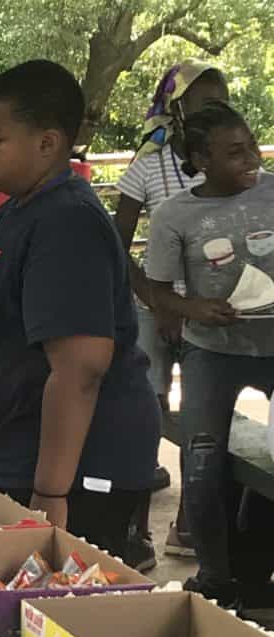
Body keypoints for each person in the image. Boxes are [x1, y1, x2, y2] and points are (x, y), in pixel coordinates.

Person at [0, 60, 160, 559]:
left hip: (77, 471)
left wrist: (50, 493)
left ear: (46, 142)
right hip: (12, 452)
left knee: (56, 624)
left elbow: (80, 369)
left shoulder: (68, 224)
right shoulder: (14, 211)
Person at [146, 101, 274, 607]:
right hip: (211, 351)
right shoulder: (175, 215)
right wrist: (194, 306)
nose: (251, 160)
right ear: (201, 159)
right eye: (235, 153)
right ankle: (215, 577)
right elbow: (157, 291)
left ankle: (255, 565)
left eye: (252, 147)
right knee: (201, 463)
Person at [115, 60, 229, 562]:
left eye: (220, 101)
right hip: (151, 308)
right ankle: (134, 530)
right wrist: (155, 300)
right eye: (203, 102)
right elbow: (116, 243)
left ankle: (186, 525)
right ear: (177, 109)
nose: (214, 110)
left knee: (200, 416)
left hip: (206, 312)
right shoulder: (147, 165)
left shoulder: (227, 162)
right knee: (144, 413)